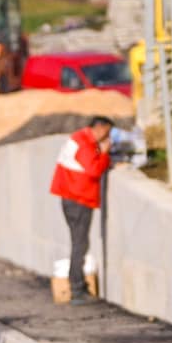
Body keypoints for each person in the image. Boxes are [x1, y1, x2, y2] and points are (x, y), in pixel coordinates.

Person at [48, 114, 113, 306]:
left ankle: (78, 285)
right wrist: (105, 154)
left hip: (72, 197)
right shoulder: (84, 143)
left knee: (79, 242)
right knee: (80, 243)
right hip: (79, 199)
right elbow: (94, 170)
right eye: (106, 132)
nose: (106, 137)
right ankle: (77, 288)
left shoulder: (78, 139)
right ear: (100, 128)